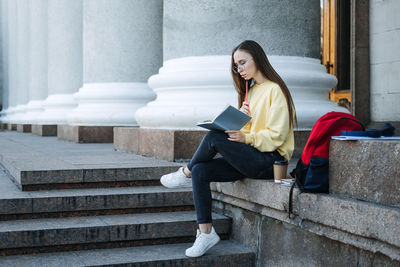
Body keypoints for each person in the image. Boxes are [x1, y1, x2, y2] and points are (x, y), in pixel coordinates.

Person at [160, 40, 296, 257]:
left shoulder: (274, 90)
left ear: (257, 59)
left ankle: (183, 172)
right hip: (251, 158)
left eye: (243, 63)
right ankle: (205, 233)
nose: (239, 69)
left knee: (214, 137)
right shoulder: (252, 91)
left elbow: (277, 136)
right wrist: (242, 118)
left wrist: (246, 136)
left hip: (270, 162)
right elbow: (249, 133)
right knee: (201, 170)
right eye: (236, 66)